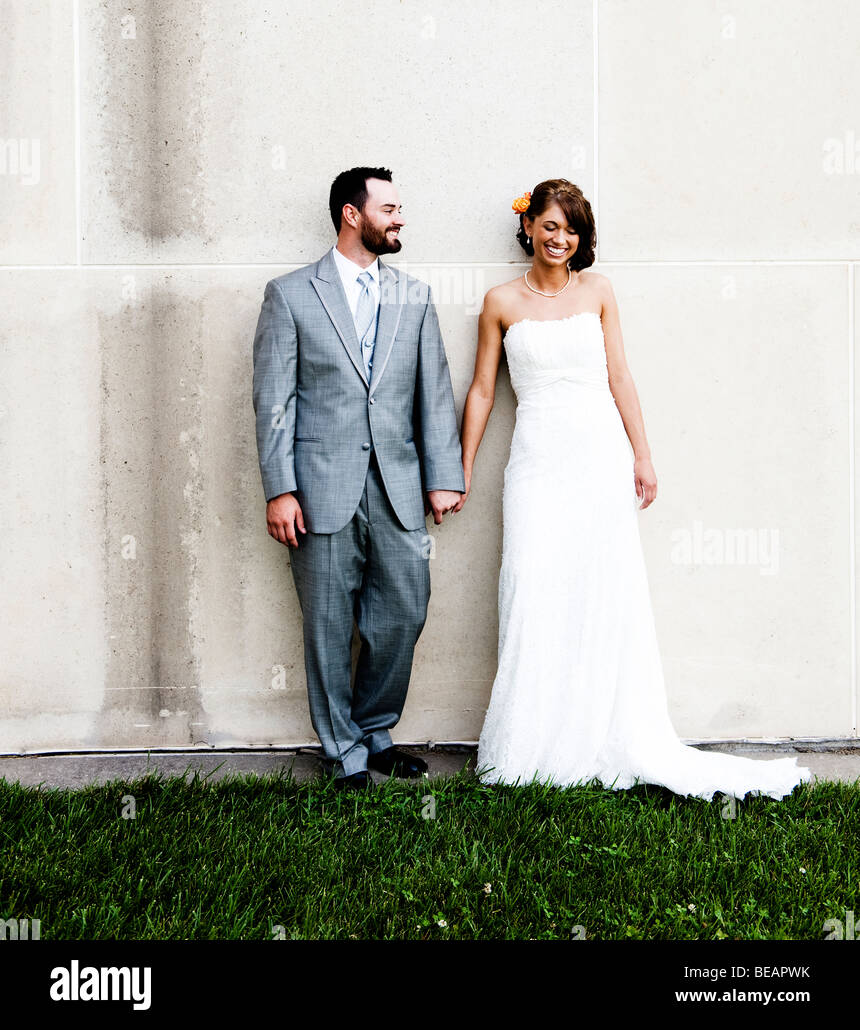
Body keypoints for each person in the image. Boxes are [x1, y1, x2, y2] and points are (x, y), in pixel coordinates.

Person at [455, 177, 811, 800]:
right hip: (536, 464)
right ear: (529, 227)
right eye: (549, 225)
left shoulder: (599, 292)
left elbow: (620, 374)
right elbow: (484, 390)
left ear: (580, 237)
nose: (559, 237)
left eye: (570, 229)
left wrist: (642, 456)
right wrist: (461, 468)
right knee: (533, 587)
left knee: (602, 592)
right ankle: (532, 743)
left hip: (599, 459)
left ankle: (604, 733)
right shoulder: (499, 302)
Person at [253, 167, 464, 790]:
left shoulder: (415, 296)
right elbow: (274, 400)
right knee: (325, 620)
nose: (400, 218)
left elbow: (435, 391)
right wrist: (280, 487)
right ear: (352, 215)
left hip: (398, 485)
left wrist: (442, 475)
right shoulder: (290, 295)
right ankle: (342, 750)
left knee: (403, 609)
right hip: (319, 488)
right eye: (390, 208)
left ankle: (375, 730)